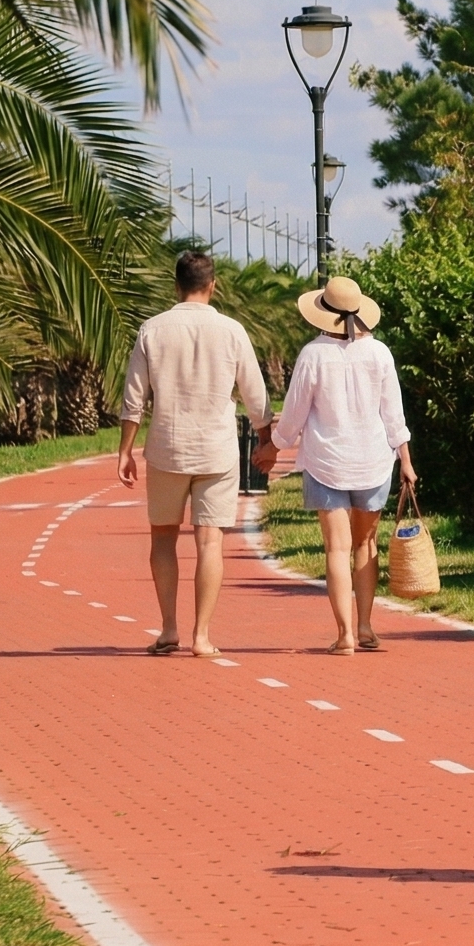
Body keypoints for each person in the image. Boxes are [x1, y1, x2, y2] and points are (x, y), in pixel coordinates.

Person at [118, 249, 272, 658]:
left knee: (163, 538)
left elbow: (134, 396)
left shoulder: (152, 330)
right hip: (217, 452)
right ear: (212, 285)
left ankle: (169, 628)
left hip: (167, 448)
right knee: (210, 543)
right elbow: (255, 395)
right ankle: (202, 636)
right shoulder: (232, 331)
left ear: (176, 285)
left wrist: (125, 450)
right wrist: (266, 440)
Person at [256, 277, 416, 655]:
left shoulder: (313, 355)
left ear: (323, 313)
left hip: (326, 463)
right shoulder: (380, 353)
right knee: (365, 544)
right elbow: (394, 415)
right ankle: (365, 626)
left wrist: (272, 448)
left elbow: (293, 415)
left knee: (336, 549)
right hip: (373, 462)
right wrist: (406, 461)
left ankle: (344, 635)